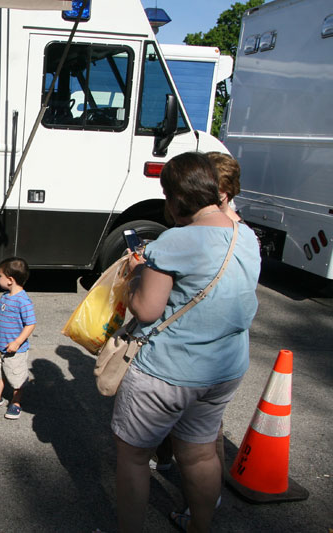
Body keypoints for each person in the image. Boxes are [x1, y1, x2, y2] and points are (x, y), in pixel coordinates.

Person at [111, 152, 260, 533]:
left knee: (133, 458)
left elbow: (146, 309)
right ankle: (200, 526)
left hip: (167, 373)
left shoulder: (175, 242)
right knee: (198, 453)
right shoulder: (245, 235)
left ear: (175, 196)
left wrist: (135, 275)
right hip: (224, 370)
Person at [0, 256, 36, 419]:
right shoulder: (4, 297)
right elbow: (0, 320)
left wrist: (18, 342)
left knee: (16, 376)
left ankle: (16, 401)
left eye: (0, 276)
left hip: (14, 349)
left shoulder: (23, 301)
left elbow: (30, 324)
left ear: (10, 280)